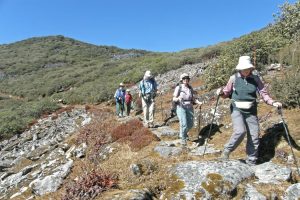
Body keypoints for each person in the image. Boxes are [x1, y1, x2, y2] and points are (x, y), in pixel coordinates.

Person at [216, 56, 282, 165]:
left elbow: (264, 94)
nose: (246, 71)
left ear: (250, 68)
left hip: (251, 110)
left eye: (248, 68)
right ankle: (227, 151)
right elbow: (226, 93)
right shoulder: (233, 78)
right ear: (239, 69)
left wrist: (273, 102)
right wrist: (221, 93)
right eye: (243, 69)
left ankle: (251, 160)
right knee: (240, 131)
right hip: (237, 109)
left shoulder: (256, 79)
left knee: (254, 136)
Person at [173, 73, 203, 145]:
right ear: (181, 80)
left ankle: (183, 134)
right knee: (184, 124)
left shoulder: (190, 88)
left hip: (189, 107)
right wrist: (178, 99)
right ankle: (183, 138)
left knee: (190, 124)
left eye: (187, 78)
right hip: (181, 107)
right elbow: (174, 98)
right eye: (184, 78)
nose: (186, 80)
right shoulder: (178, 88)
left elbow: (193, 98)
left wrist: (198, 102)